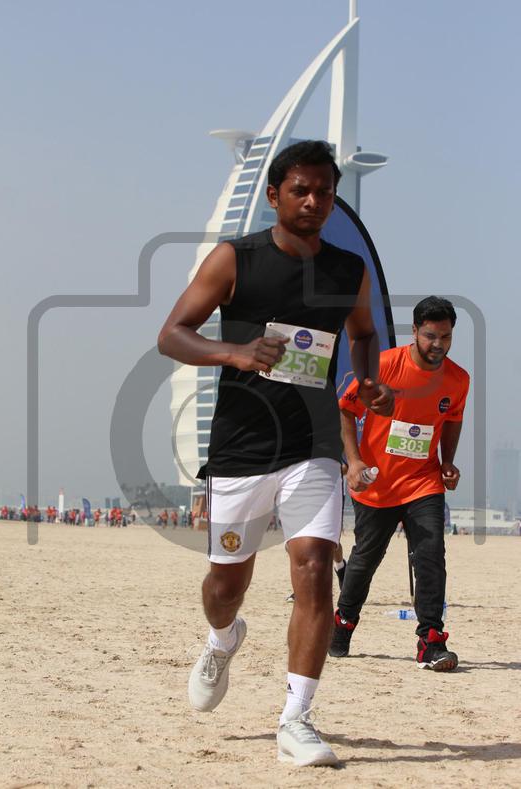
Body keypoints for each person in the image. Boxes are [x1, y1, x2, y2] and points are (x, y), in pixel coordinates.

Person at [158, 140, 393, 766]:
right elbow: (172, 335)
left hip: (313, 445)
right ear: (274, 195)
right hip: (241, 447)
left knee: (314, 567)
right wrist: (234, 353)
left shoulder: (348, 270)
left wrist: (367, 380)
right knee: (225, 585)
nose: (314, 201)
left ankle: (297, 718)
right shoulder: (235, 259)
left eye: (325, 192)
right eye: (301, 190)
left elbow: (364, 333)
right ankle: (222, 639)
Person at [328, 297, 469, 672]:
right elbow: (345, 409)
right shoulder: (384, 366)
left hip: (423, 482)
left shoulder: (458, 379)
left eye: (445, 336)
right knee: (365, 560)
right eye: (430, 336)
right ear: (415, 331)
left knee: (430, 554)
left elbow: (453, 419)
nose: (438, 344)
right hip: (377, 483)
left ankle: (431, 641)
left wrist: (448, 462)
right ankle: (343, 623)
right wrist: (354, 461)